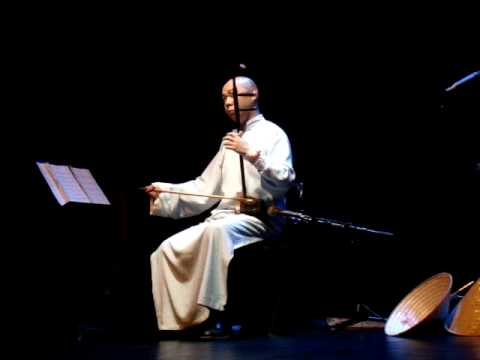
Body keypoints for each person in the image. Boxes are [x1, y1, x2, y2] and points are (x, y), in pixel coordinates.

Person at [144, 76, 295, 338]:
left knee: (214, 234)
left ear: (254, 95)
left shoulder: (273, 133)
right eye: (224, 97)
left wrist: (253, 155)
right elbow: (205, 186)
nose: (227, 102)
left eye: (233, 96)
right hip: (225, 219)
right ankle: (179, 322)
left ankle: (213, 316)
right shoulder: (231, 139)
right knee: (165, 249)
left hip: (259, 219)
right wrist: (164, 191)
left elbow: (285, 179)